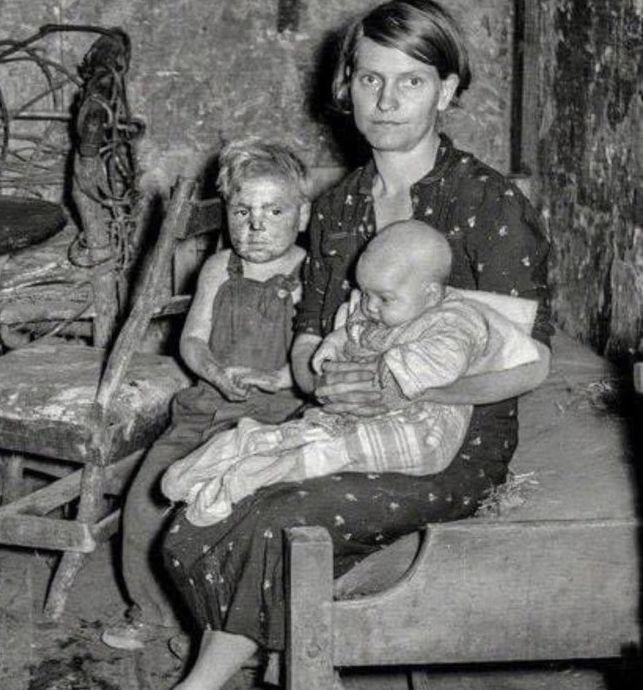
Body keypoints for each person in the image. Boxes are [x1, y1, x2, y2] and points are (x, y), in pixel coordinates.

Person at [133, 0, 552, 690]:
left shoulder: (488, 204)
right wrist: (327, 379)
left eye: (412, 81)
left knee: (270, 516)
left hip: (450, 440)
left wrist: (399, 382)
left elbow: (522, 367)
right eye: (369, 79)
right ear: (345, 87)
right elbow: (306, 343)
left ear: (450, 90)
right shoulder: (337, 208)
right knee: (200, 513)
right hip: (345, 414)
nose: (387, 102)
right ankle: (291, 643)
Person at [162, 219, 540, 525]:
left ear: (430, 295)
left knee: (336, 451)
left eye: (383, 298)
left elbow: (445, 358)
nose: (369, 306)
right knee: (313, 429)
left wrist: (384, 374)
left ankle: (250, 476)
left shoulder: (456, 318)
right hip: (360, 415)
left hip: (423, 425)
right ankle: (244, 444)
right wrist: (334, 346)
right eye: (365, 293)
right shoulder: (382, 305)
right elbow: (354, 329)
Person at [99, 139, 308, 651]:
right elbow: (191, 340)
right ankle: (153, 612)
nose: (255, 225)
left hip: (278, 415)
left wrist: (285, 377)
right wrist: (214, 370)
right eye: (242, 211)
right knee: (150, 499)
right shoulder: (219, 269)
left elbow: (321, 352)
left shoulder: (312, 273)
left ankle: (226, 627)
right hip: (208, 408)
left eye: (273, 211)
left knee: (243, 511)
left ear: (301, 216)